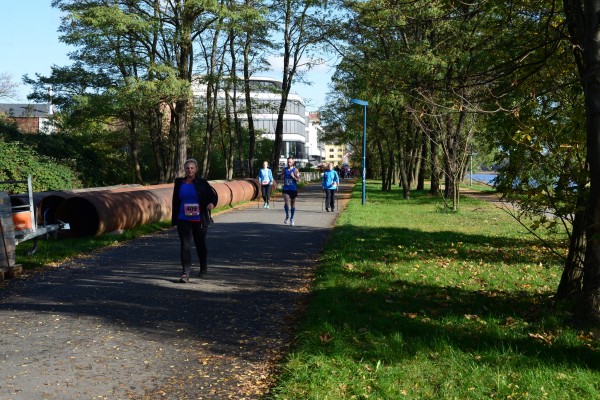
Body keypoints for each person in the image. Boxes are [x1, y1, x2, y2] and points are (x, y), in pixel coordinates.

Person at [171, 158, 218, 283]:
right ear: (184, 169)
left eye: (192, 168)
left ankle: (203, 266)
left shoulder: (202, 183)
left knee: (200, 244)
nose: (189, 170)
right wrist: (175, 217)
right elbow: (176, 200)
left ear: (196, 169)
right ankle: (185, 273)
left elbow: (213, 196)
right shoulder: (179, 182)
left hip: (199, 219)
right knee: (185, 245)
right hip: (183, 218)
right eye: (187, 168)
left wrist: (212, 203)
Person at [282, 156, 300, 226]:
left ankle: (292, 218)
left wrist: (293, 177)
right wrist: (282, 176)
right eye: (288, 162)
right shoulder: (284, 169)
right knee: (286, 202)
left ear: (293, 162)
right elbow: (281, 176)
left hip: (293, 189)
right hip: (286, 189)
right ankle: (287, 215)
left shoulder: (296, 170)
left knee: (292, 204)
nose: (289, 163)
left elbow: (298, 180)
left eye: (290, 162)